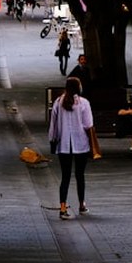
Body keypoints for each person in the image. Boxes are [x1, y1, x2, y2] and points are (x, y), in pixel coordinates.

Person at [48, 76, 96, 220]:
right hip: (81, 143)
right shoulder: (83, 103)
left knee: (65, 177)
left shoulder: (58, 102)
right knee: (80, 175)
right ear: (78, 87)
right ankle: (81, 204)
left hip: (63, 144)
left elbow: (53, 125)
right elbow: (88, 124)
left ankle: (63, 207)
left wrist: (52, 140)